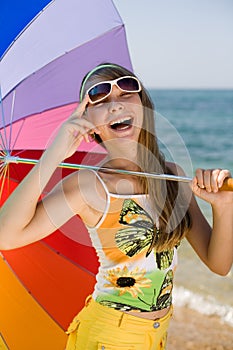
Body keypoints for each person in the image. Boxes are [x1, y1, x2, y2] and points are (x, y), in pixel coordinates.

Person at [0, 63, 232, 350]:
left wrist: (224, 206)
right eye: (100, 99)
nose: (115, 105)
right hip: (108, 336)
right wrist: (55, 152)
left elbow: (219, 264)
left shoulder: (173, 176)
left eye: (126, 93)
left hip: (157, 337)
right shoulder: (89, 186)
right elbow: (6, 235)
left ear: (143, 105)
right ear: (89, 123)